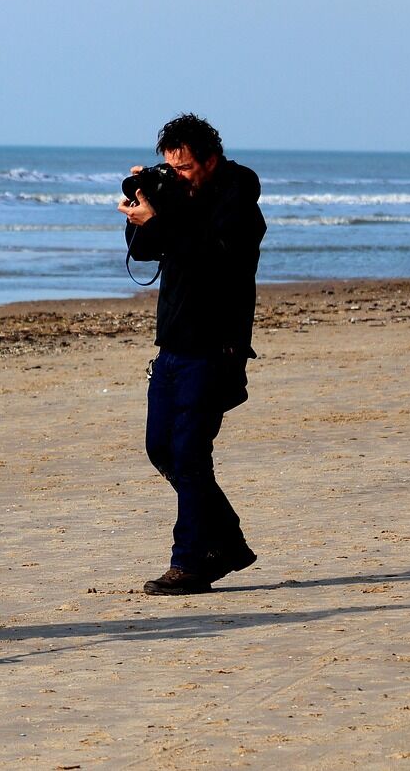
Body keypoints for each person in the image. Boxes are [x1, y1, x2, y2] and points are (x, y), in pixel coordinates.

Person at [118, 114, 266, 595]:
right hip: (173, 344)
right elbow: (145, 252)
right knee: (161, 448)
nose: (177, 175)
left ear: (210, 159)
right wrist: (143, 207)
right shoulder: (178, 195)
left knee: (189, 452)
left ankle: (190, 562)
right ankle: (229, 543)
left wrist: (164, 217)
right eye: (170, 167)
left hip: (215, 346)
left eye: (183, 168)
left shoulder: (238, 191)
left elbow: (217, 252)